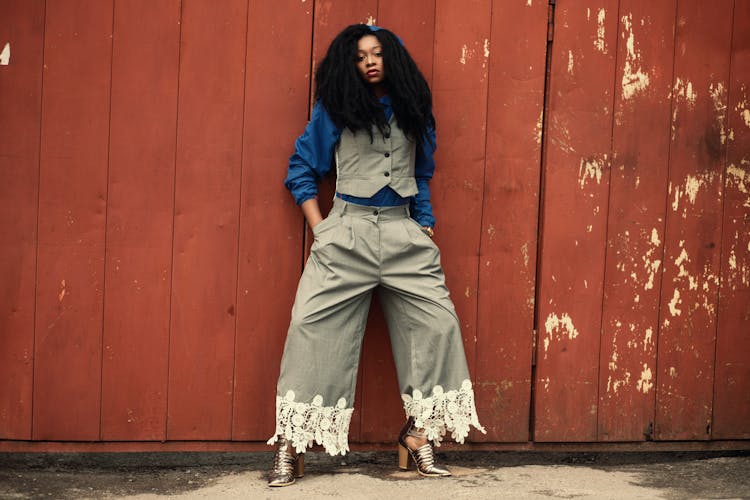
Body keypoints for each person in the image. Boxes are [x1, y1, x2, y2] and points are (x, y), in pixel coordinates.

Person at [267, 23, 485, 487]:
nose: (369, 61)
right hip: (346, 232)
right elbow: (302, 168)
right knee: (310, 327)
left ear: (393, 59)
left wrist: (424, 226)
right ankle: (292, 444)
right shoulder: (336, 109)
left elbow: (422, 173)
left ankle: (418, 436)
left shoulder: (413, 110)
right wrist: (322, 229)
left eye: (378, 53)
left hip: (405, 232)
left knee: (438, 324)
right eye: (360, 55)